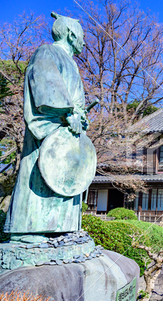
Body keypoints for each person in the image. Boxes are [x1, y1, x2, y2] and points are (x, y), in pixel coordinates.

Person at [4, 13, 89, 243]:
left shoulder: (71, 63)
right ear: (71, 34)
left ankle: (61, 230)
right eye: (82, 35)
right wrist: (67, 112)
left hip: (69, 136)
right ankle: (29, 232)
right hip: (50, 133)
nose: (84, 41)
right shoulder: (47, 52)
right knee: (42, 177)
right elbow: (46, 87)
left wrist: (81, 118)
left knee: (66, 180)